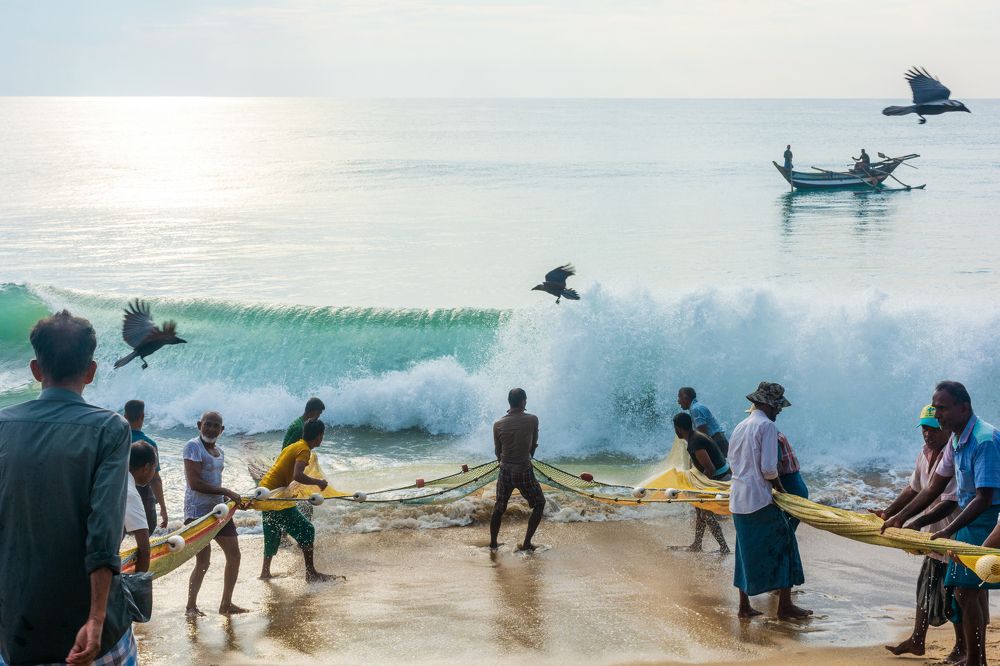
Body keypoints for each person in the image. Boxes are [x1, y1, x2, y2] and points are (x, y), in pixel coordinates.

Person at [0, 310, 136, 665]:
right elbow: (104, 531)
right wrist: (96, 618)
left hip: (16, 629)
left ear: (35, 369)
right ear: (90, 371)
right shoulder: (110, 429)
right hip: (92, 630)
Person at [881, 381, 1000, 666]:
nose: (938, 415)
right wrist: (901, 518)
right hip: (970, 517)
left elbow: (984, 498)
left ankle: (974, 660)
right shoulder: (956, 441)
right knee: (967, 591)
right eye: (935, 408)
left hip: (988, 518)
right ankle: (975, 658)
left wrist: (948, 529)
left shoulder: (984, 439)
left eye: (943, 408)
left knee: (966, 591)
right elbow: (933, 487)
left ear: (964, 407)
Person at [873, 405, 962, 661]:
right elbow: (914, 489)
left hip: (952, 534)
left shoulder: (954, 456)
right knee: (925, 586)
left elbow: (949, 502)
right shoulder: (924, 453)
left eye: (933, 429)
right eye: (924, 429)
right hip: (930, 536)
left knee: (956, 594)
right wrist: (888, 513)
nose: (927, 434)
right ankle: (917, 640)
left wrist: (913, 522)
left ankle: (961, 646)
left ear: (946, 428)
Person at [728, 381, 811, 620]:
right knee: (786, 544)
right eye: (778, 406)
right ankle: (784, 606)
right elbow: (768, 469)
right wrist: (781, 491)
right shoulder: (767, 426)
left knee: (744, 550)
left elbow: (733, 462)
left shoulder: (740, 426)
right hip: (759, 500)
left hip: (738, 499)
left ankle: (744, 606)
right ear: (768, 404)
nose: (779, 410)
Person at [183, 410, 248, 616]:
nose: (211, 429)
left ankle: (226, 604)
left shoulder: (220, 452)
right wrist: (226, 491)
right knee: (203, 562)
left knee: (234, 556)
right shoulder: (193, 447)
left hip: (218, 511)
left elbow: (214, 482)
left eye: (215, 426)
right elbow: (194, 483)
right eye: (207, 424)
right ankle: (191, 607)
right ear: (199, 425)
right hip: (197, 514)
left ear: (222, 430)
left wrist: (230, 501)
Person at [259, 419, 340, 582]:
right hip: (277, 496)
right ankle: (311, 574)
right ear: (319, 436)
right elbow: (297, 475)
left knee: (272, 530)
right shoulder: (304, 450)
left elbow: (284, 471)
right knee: (307, 530)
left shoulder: (294, 445)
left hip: (265, 492)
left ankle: (265, 572)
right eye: (322, 435)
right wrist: (319, 482)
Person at [489, 388, 546, 552]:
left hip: (505, 472)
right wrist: (528, 456)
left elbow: (497, 452)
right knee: (539, 503)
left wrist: (504, 462)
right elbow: (532, 447)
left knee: (499, 508)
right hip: (523, 471)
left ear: (509, 402)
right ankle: (526, 543)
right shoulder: (532, 419)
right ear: (523, 401)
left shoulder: (497, 424)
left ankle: (493, 544)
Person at [672, 412, 731, 553]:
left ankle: (724, 547)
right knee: (699, 510)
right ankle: (697, 544)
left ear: (678, 429)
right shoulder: (696, 436)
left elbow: (710, 468)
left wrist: (699, 487)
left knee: (706, 514)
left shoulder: (695, 442)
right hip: (721, 476)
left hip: (720, 479)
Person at [124, 399, 167, 531]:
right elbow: (155, 479)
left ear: (125, 416)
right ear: (142, 416)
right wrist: (163, 509)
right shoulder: (149, 444)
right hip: (142, 491)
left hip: (120, 489)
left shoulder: (116, 439)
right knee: (146, 528)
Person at [124, 441, 160, 574]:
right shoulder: (130, 493)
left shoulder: (109, 476)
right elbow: (144, 550)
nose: (154, 472)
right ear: (147, 467)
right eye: (154, 468)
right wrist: (138, 582)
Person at [677, 387, 729, 456]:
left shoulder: (695, 409)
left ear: (686, 398)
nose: (678, 402)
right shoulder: (697, 406)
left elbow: (703, 433)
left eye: (679, 398)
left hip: (716, 441)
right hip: (719, 439)